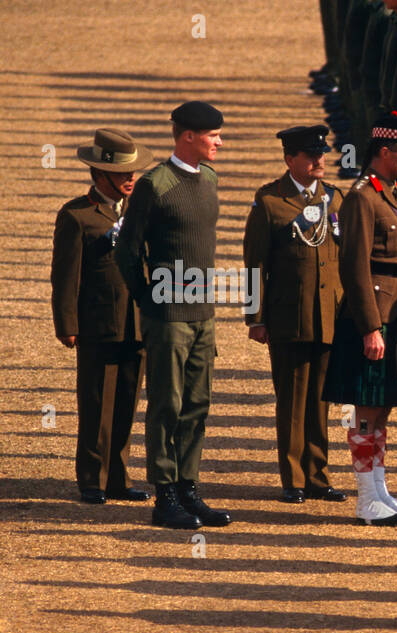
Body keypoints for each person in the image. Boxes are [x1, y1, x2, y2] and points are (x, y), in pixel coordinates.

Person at [115, 101, 232, 531]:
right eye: (213, 135)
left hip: (203, 314)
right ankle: (164, 494)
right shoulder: (155, 185)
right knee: (167, 403)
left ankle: (188, 488)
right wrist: (148, 299)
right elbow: (127, 250)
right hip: (168, 315)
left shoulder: (211, 178)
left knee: (197, 405)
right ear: (187, 136)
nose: (220, 141)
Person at [323, 108, 397, 525]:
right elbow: (355, 265)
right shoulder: (364, 197)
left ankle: (380, 491)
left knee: (381, 407)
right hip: (374, 318)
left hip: (394, 314)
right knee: (366, 407)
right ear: (384, 151)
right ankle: (366, 498)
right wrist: (370, 327)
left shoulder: (395, 192)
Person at [243, 124, 347, 504]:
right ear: (291, 160)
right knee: (292, 400)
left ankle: (318, 474)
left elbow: (345, 260)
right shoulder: (271, 201)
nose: (319, 160)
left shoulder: (335, 199)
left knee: (321, 399)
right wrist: (255, 317)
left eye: (321, 154)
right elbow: (254, 263)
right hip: (288, 316)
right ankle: (295, 479)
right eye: (310, 155)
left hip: (328, 317)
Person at [52, 128, 153, 506]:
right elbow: (65, 276)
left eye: (134, 172)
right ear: (100, 174)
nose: (131, 179)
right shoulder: (78, 216)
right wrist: (67, 325)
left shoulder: (141, 214)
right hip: (97, 325)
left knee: (127, 402)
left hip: (137, 323)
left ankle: (118, 479)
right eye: (124, 173)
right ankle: (92, 480)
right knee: (97, 404)